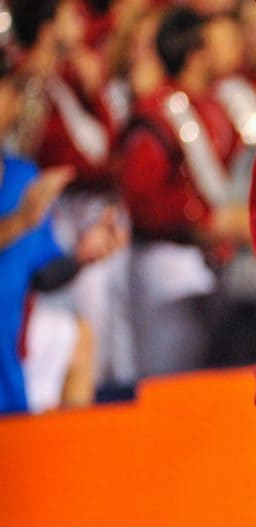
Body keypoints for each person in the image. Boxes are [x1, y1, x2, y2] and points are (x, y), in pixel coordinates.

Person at [9, 0, 136, 387]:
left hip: (58, 214)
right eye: (68, 14)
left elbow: (108, 145)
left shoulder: (64, 77)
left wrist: (94, 88)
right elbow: (53, 155)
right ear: (48, 27)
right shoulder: (20, 78)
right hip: (38, 207)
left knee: (102, 326)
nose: (80, 20)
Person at [118, 7, 248, 375]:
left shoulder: (216, 105)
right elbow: (143, 202)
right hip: (169, 261)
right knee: (168, 378)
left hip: (216, 263)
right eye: (211, 45)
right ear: (196, 54)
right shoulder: (156, 113)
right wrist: (203, 221)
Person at [0, 55, 125, 414]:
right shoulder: (27, 199)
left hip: (9, 377)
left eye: (12, 92)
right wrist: (20, 221)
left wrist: (82, 255)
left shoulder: (24, 177)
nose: (11, 102)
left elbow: (41, 275)